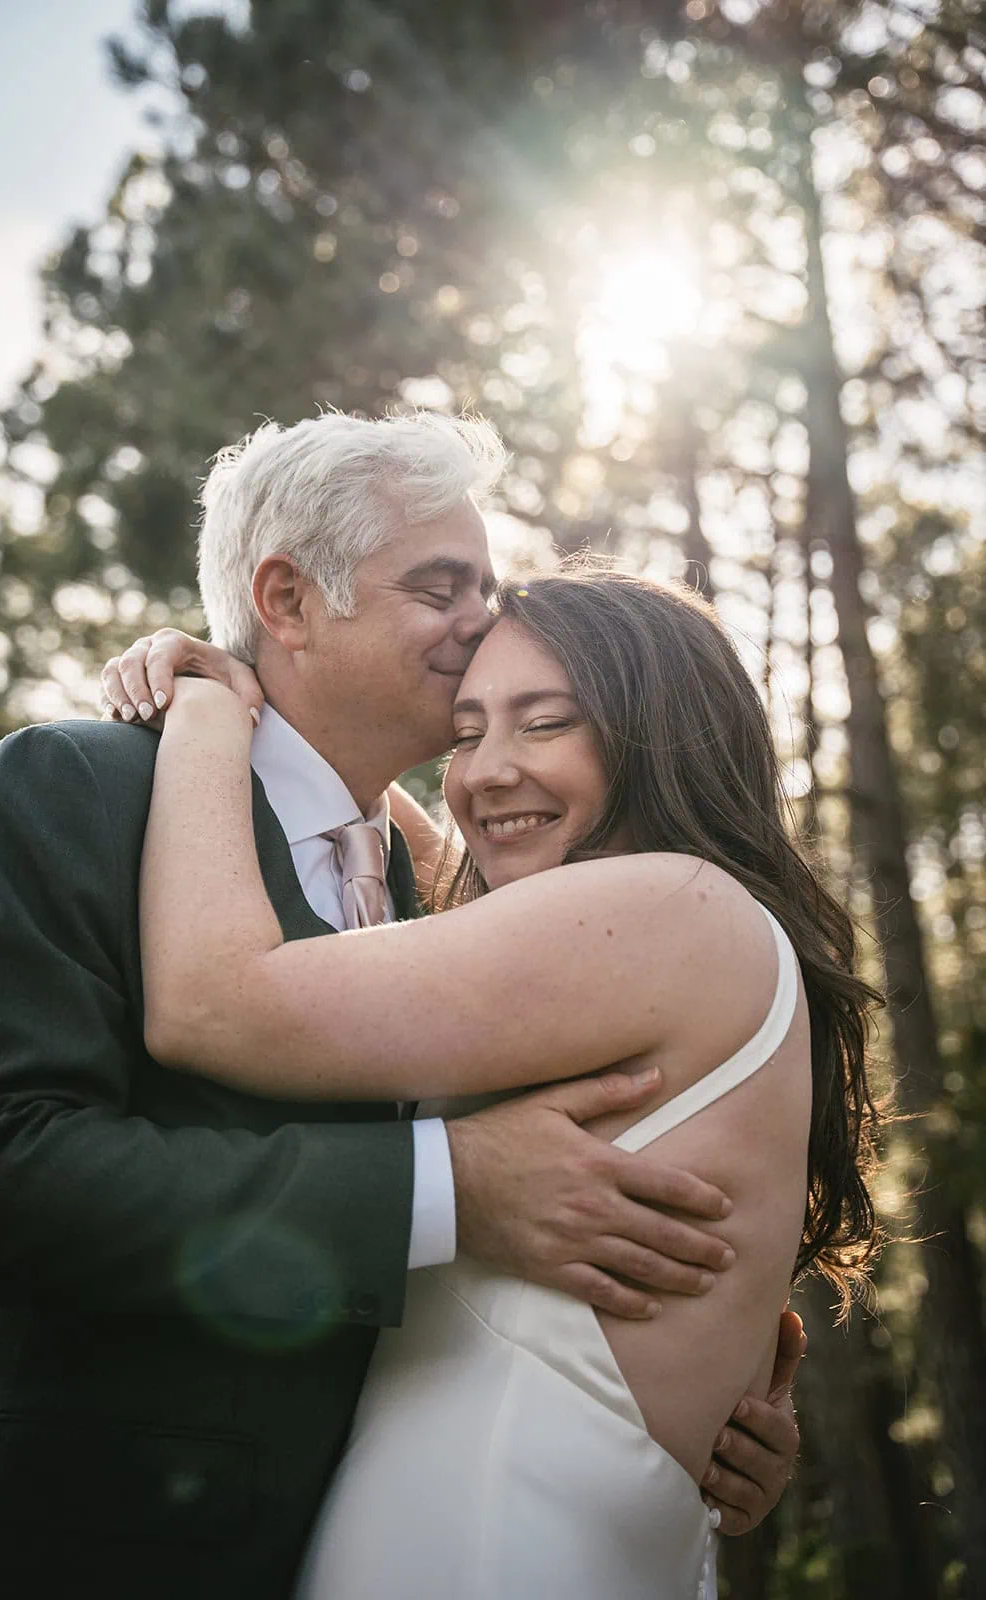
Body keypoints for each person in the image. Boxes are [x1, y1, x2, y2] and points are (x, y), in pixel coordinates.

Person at [0, 412, 797, 1600]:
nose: (482, 621)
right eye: (441, 586)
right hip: (84, 1546)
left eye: (485, 587)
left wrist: (699, 1406)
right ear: (284, 599)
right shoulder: (74, 787)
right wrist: (449, 1186)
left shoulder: (447, 890)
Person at [108, 558, 881, 1597]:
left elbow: (213, 1002)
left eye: (545, 721)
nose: (481, 773)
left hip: (482, 1537)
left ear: (663, 730)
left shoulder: (664, 913)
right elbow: (435, 875)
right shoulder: (697, 928)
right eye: (465, 731)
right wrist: (321, 723)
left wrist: (212, 713)